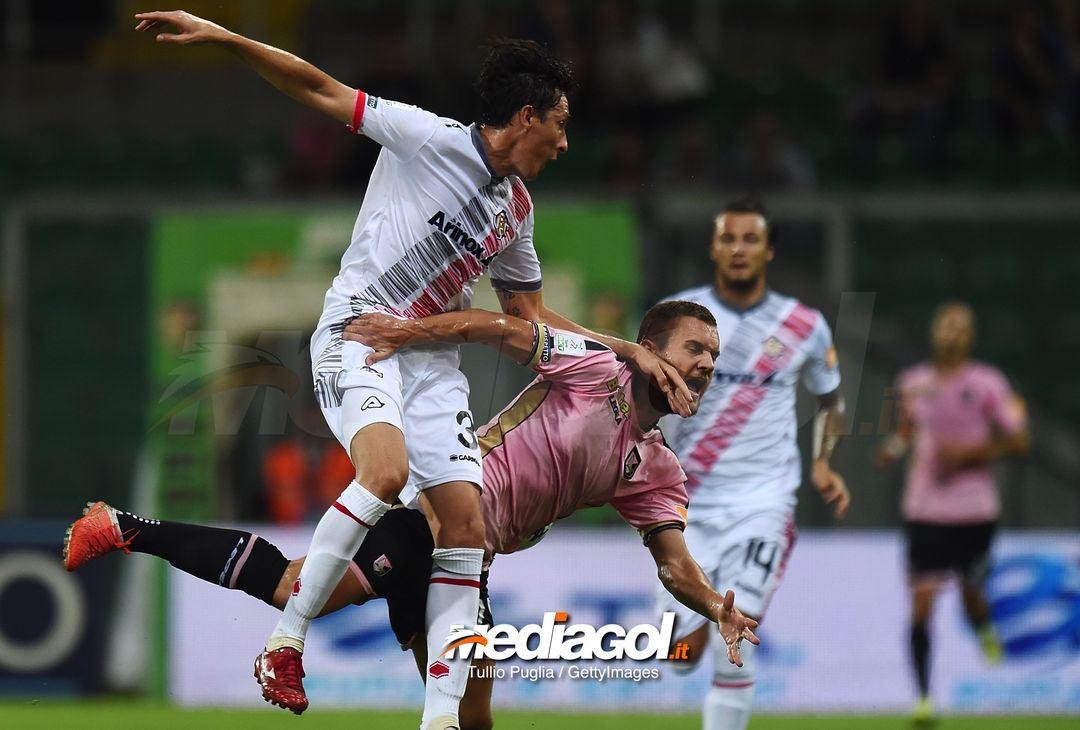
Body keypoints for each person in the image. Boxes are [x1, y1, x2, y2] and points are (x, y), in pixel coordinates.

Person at [134, 10, 691, 726]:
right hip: (361, 332)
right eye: (559, 124)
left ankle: (438, 720)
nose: (564, 142)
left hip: (430, 364)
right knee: (386, 475)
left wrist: (629, 348)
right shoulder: (427, 137)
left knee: (466, 527)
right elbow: (321, 88)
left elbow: (530, 317)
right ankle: (285, 641)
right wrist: (226, 37)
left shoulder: (516, 210)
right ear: (526, 117)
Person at [65, 301, 759, 730]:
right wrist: (410, 331)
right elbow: (498, 326)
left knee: (471, 715)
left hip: (469, 558)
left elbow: (673, 562)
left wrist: (714, 606)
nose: (705, 364)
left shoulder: (657, 468)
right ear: (651, 348)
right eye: (694, 349)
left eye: (714, 356)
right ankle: (124, 528)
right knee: (297, 594)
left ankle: (122, 528)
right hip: (432, 520)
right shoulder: (596, 368)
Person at [656, 196, 850, 730]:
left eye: (750, 240)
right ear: (713, 248)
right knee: (677, 655)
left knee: (735, 637)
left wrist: (824, 462)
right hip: (685, 506)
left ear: (768, 251)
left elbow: (831, 401)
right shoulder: (677, 317)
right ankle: (693, 620)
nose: (739, 249)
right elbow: (642, 392)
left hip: (764, 504)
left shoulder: (803, 324)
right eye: (729, 239)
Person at [876, 301, 1029, 725]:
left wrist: (974, 453)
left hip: (975, 513)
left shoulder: (988, 383)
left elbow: (1019, 440)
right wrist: (892, 450)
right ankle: (924, 699)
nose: (952, 333)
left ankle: (983, 626)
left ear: (971, 336)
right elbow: (905, 432)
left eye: (960, 327)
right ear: (934, 332)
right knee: (921, 604)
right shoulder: (912, 383)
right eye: (946, 325)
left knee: (970, 596)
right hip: (925, 510)